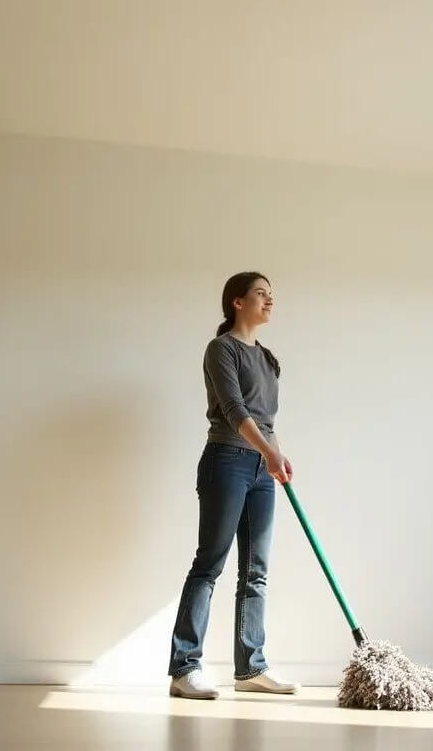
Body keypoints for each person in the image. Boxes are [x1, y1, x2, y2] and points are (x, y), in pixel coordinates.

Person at [167, 272, 301, 699]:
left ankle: (251, 668)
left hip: (262, 469)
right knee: (209, 564)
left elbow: (265, 419)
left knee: (256, 571)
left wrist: (276, 455)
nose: (269, 301)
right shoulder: (221, 349)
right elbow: (234, 409)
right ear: (237, 302)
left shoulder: (268, 359)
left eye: (271, 295)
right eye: (261, 293)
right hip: (226, 462)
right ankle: (185, 668)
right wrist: (267, 451)